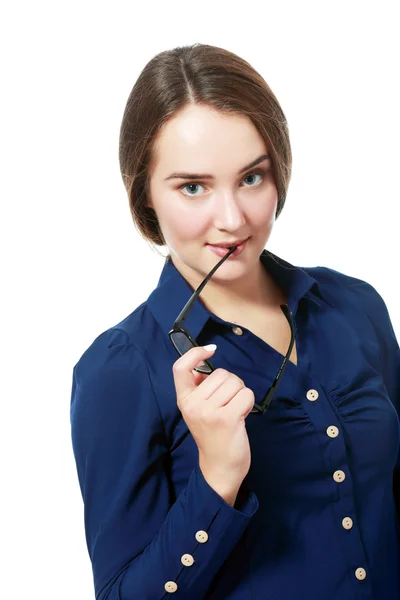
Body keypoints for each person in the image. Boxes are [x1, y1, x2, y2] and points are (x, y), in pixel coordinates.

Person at [70, 43, 400, 600]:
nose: (233, 218)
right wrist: (218, 477)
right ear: (145, 196)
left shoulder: (354, 307)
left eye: (252, 177)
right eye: (193, 187)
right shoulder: (122, 369)